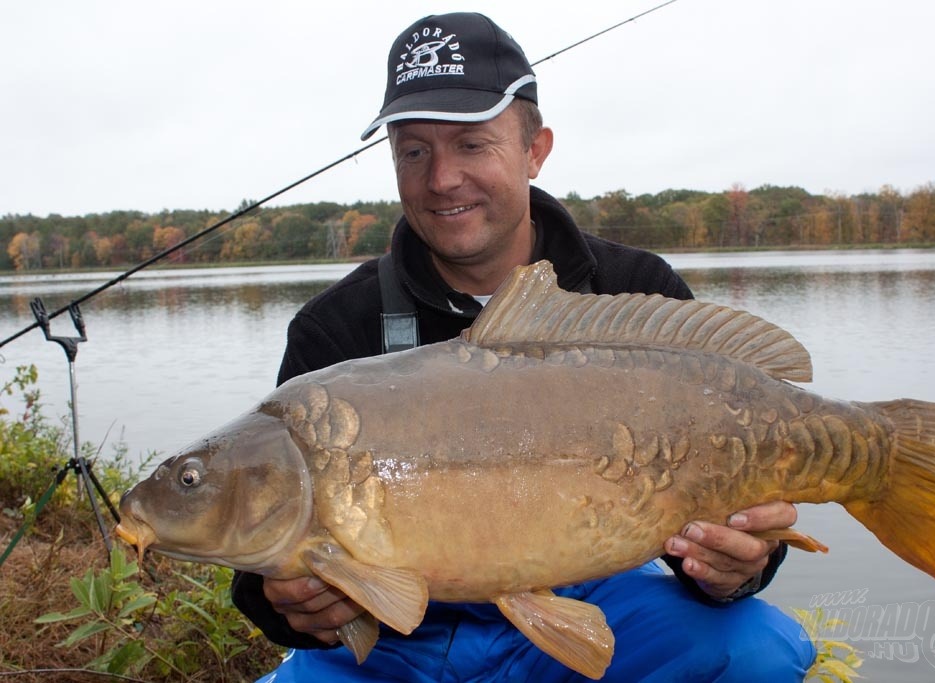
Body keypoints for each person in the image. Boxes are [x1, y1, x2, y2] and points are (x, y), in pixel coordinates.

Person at [235, 12, 815, 682]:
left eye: (473, 145)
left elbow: (731, 527)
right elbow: (264, 562)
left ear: (535, 148)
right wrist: (287, 604)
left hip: (594, 601)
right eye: (414, 151)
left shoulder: (632, 290)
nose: (442, 178)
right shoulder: (336, 328)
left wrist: (738, 566)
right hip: (400, 643)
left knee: (757, 652)